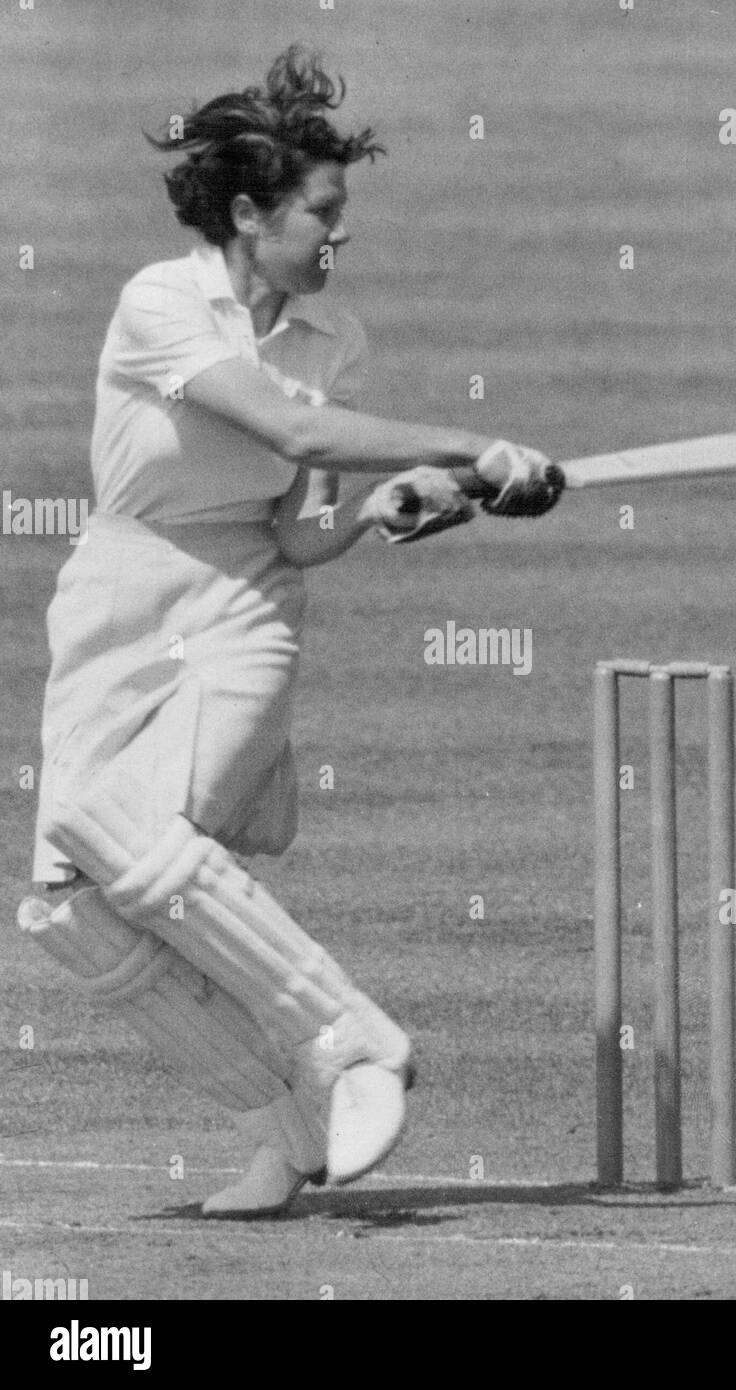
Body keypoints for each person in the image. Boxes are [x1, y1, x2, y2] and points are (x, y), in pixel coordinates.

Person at [16, 46, 563, 1218]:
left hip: (243, 608)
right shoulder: (161, 304)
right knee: (71, 899)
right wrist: (470, 446)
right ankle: (289, 1128)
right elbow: (292, 435)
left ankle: (357, 1041)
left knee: (140, 838)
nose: (337, 238)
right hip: (118, 596)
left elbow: (297, 526)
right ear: (252, 212)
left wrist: (383, 510)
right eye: (322, 214)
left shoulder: (333, 342)